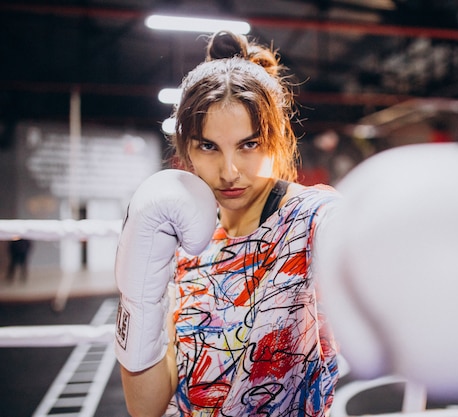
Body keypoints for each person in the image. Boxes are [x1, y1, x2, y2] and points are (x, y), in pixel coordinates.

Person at [117, 31, 340, 417]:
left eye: (248, 144)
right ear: (186, 147)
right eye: (209, 146)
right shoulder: (183, 241)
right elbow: (145, 408)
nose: (229, 172)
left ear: (277, 139)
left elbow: (356, 241)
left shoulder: (311, 218)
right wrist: (139, 300)